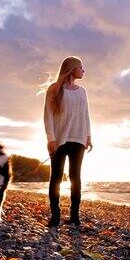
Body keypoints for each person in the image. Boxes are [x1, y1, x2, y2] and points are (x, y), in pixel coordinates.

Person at [43, 56, 93, 227]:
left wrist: (88, 137)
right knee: (56, 177)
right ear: (72, 69)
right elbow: (48, 115)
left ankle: (74, 216)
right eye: (81, 67)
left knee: (75, 177)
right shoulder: (55, 89)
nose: (83, 70)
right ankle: (55, 216)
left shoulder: (82, 92)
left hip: (78, 139)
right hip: (59, 140)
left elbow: (86, 115)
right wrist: (51, 138)